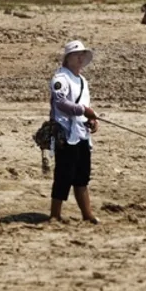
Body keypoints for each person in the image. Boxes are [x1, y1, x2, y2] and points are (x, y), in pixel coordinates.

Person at [49, 39, 99, 223]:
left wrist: (91, 119)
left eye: (82, 55)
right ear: (68, 58)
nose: (80, 58)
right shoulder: (60, 79)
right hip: (65, 134)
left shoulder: (83, 80)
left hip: (81, 133)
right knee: (63, 175)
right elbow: (61, 103)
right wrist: (84, 111)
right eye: (77, 55)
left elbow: (86, 106)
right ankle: (55, 215)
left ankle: (87, 214)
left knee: (82, 175)